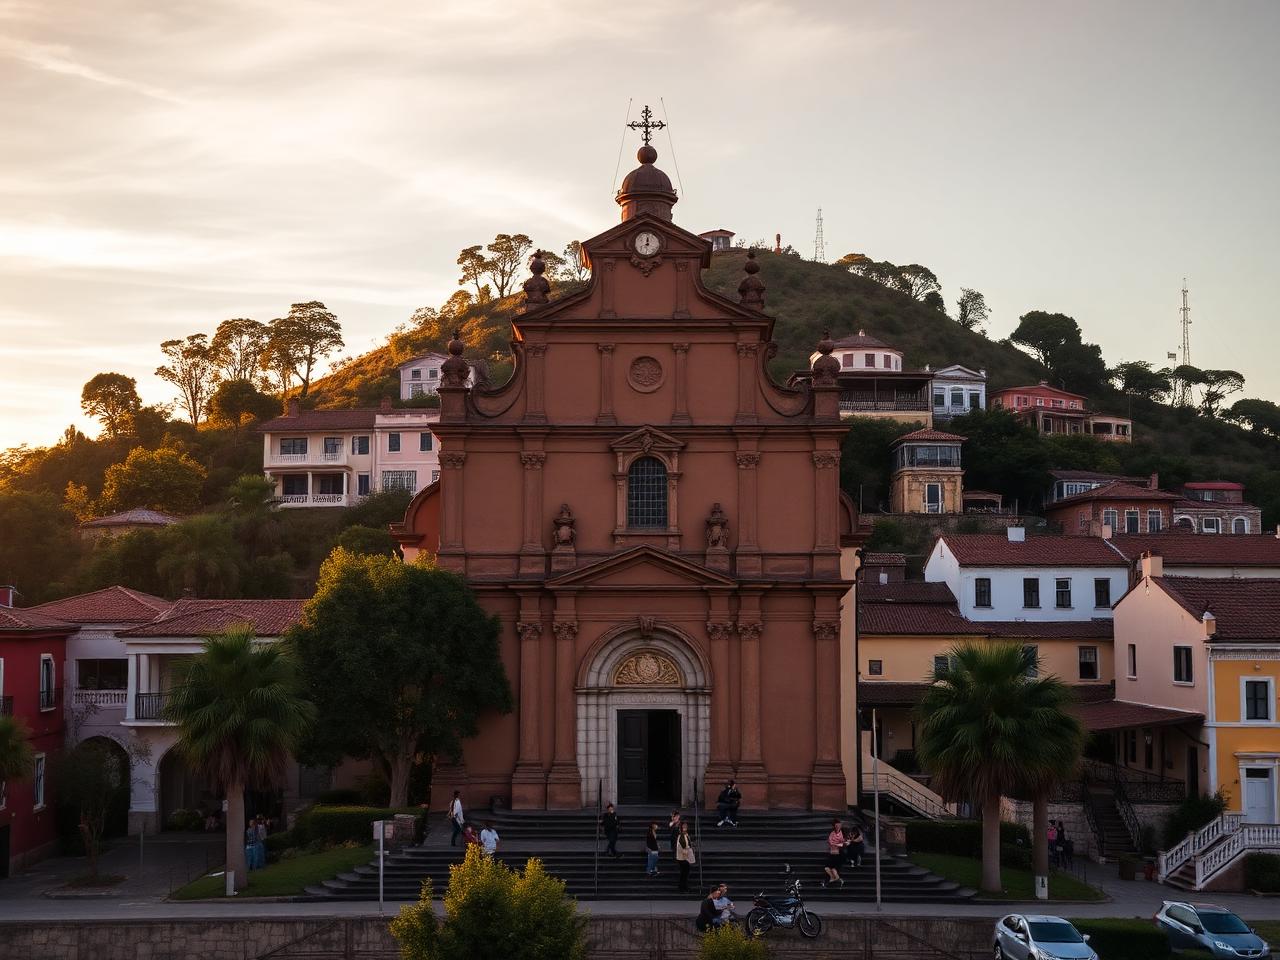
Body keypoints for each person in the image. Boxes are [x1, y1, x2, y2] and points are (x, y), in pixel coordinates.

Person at [823, 818, 844, 887]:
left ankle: (837, 880)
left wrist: (836, 844)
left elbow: (841, 843)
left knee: (834, 870)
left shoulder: (841, 833)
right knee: (826, 868)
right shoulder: (832, 833)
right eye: (836, 826)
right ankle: (833, 878)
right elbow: (830, 841)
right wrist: (835, 843)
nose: (838, 827)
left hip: (837, 854)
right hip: (832, 853)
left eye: (839, 825)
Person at [675, 821, 696, 893]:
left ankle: (684, 886)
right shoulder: (680, 835)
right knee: (684, 873)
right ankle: (682, 887)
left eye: (686, 826)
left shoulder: (686, 834)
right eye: (683, 826)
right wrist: (686, 852)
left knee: (685, 873)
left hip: (686, 857)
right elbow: (680, 847)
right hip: (682, 858)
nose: (685, 827)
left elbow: (688, 844)